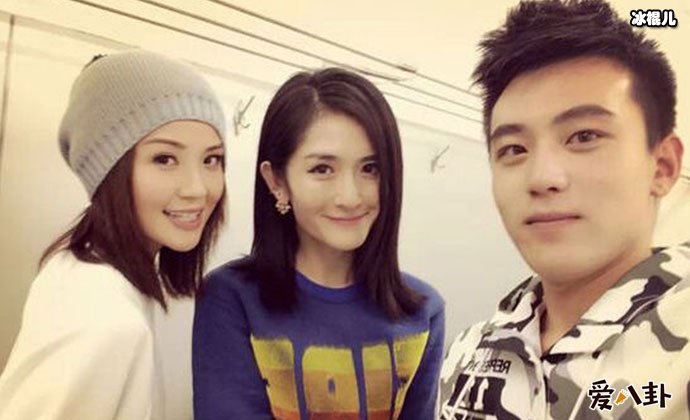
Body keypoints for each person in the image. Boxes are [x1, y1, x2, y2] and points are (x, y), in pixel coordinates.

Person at [439, 0, 688, 418]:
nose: (542, 177)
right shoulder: (468, 355)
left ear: (661, 166)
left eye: (584, 136)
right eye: (513, 149)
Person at [193, 67, 445, 419]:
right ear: (277, 181)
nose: (350, 197)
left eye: (370, 168)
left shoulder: (423, 310)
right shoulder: (231, 298)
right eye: (322, 169)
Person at [0, 50, 227, 420]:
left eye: (211, 159)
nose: (198, 189)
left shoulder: (80, 264)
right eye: (165, 159)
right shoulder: (107, 324)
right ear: (108, 170)